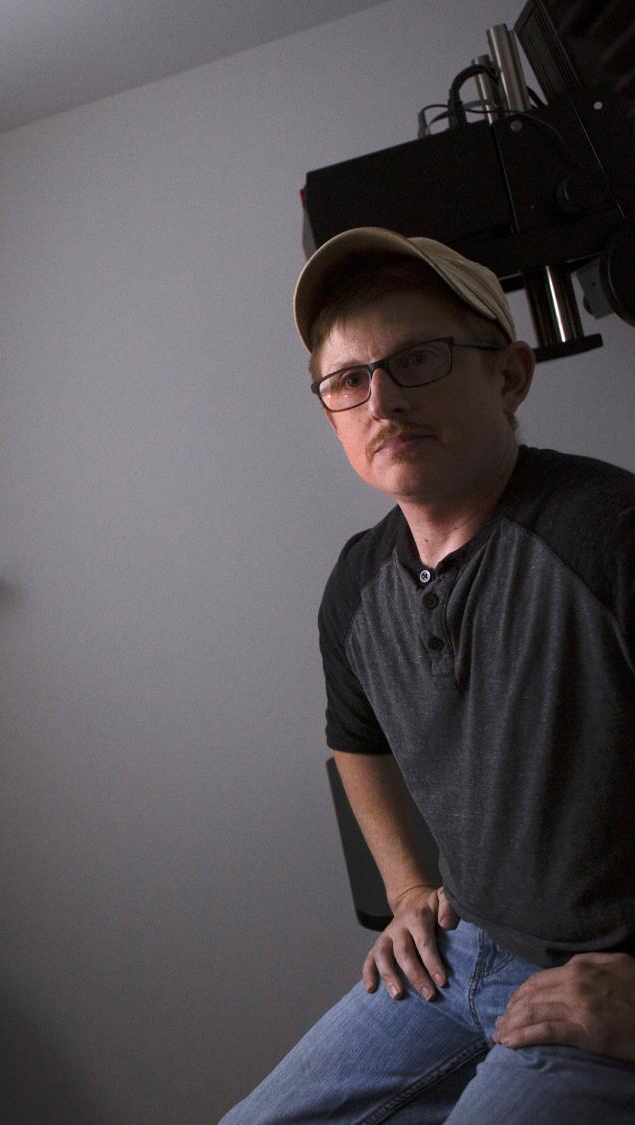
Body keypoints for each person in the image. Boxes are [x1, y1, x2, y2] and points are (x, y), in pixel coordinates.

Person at [221, 227, 635, 1122]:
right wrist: (408, 889)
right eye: (348, 380)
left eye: (418, 359)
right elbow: (354, 740)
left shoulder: (609, 533)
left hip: (602, 980)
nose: (382, 400)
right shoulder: (357, 582)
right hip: (461, 951)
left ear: (509, 375)